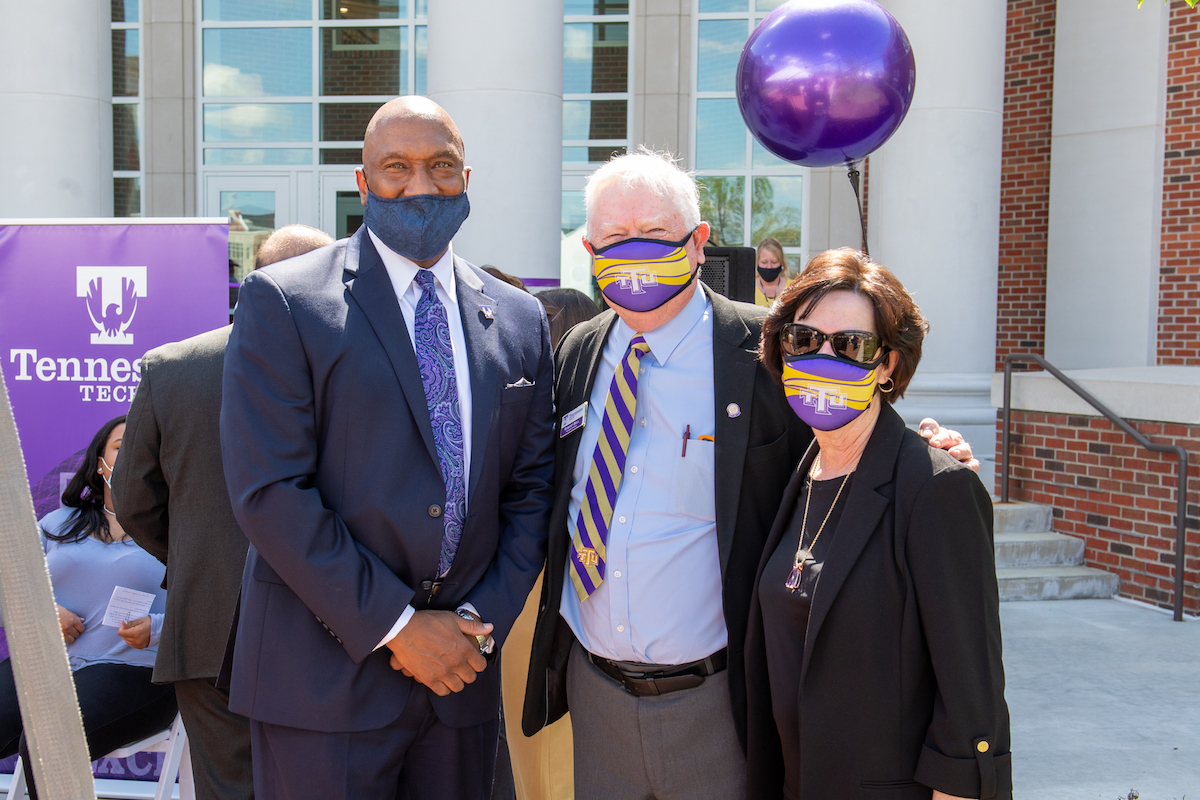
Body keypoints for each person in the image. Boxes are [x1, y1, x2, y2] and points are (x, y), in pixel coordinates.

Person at [523, 150, 976, 800]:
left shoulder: (764, 350)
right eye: (616, 240)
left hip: (720, 703)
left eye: (653, 233)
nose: (636, 254)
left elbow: (844, 442)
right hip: (596, 699)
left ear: (698, 241)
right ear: (590, 248)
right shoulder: (577, 350)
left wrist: (927, 458)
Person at [220, 96, 555, 800]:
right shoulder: (285, 301)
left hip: (460, 682)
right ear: (363, 182)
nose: (421, 185)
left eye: (441, 167)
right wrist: (399, 627)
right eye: (396, 168)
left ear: (468, 179)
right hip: (322, 686)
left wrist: (472, 625)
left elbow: (531, 489)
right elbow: (269, 491)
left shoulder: (519, 317)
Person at [745, 247, 1010, 800]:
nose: (823, 356)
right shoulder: (798, 471)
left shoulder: (935, 488)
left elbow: (972, 697)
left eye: (851, 345)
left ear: (887, 364)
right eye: (804, 339)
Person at [112, 224, 334, 800]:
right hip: (333, 624)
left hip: (209, 621)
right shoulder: (363, 368)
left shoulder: (173, 367)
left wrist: (196, 557)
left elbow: (134, 502)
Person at [0, 416, 177, 800]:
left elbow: (209, 611)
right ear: (100, 463)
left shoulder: (178, 532)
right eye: (120, 445)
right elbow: (9, 592)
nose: (133, 453)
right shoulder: (57, 524)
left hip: (135, 673)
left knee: (50, 737)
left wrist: (158, 628)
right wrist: (42, 613)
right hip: (44, 664)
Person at [497, 287, 601, 800]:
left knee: (534, 761)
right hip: (576, 602)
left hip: (526, 601)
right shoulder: (598, 421)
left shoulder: (527, 423)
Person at [754, 237, 788, 308]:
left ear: (782, 262)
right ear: (757, 262)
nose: (769, 267)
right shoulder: (748, 289)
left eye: (774, 262)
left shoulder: (793, 288)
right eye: (764, 262)